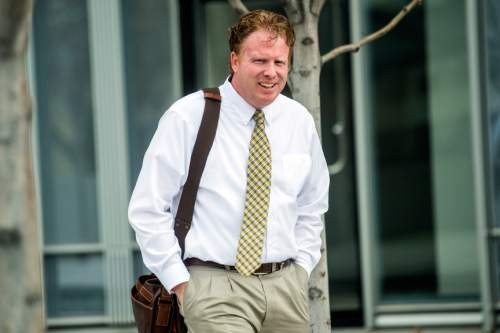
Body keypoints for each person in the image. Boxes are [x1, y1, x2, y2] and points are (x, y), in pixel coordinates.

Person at [128, 9, 329, 333]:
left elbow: (312, 204)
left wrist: (301, 269)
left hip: (285, 288)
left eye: (279, 62)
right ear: (235, 61)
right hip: (214, 287)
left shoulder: (298, 121)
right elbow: (147, 208)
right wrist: (180, 283)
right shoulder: (189, 116)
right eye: (260, 61)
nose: (271, 72)